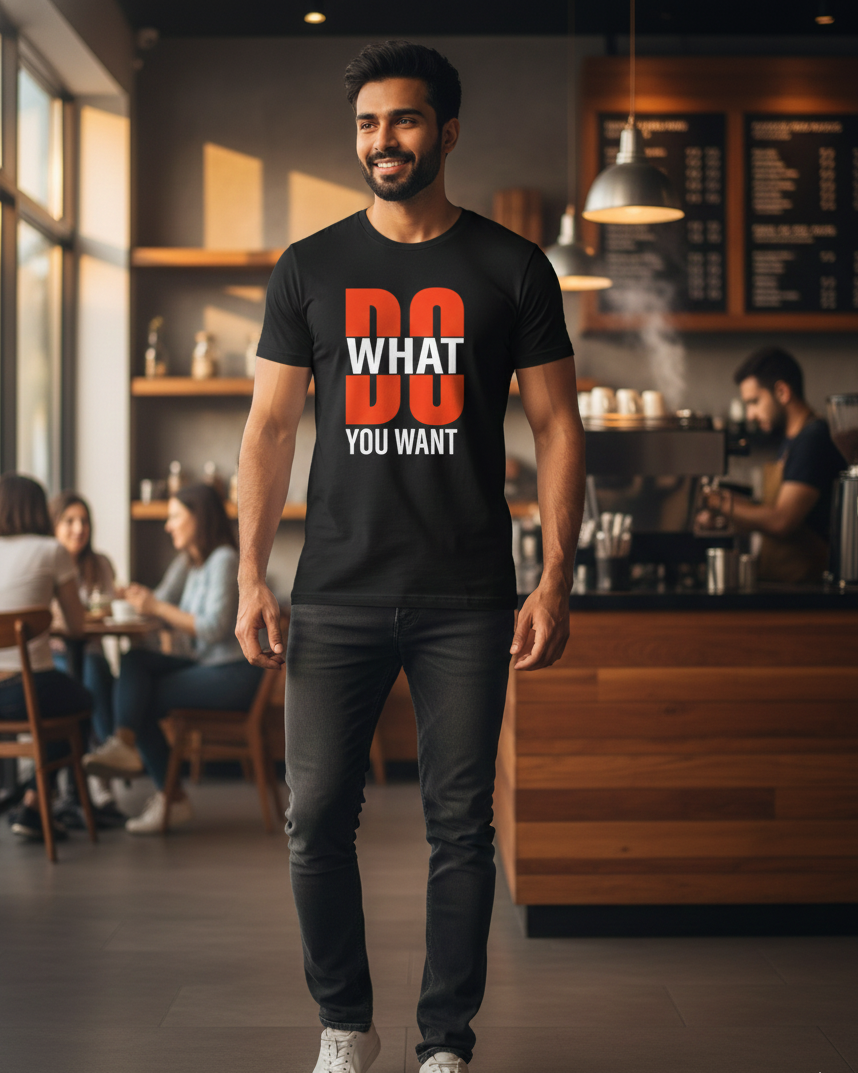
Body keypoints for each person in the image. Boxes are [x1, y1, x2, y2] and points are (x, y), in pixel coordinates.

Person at [235, 41, 585, 1073]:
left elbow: (560, 426)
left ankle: (445, 1043)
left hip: (467, 595)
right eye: (367, 124)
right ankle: (346, 1021)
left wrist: (555, 576)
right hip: (335, 590)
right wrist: (253, 569)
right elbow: (267, 427)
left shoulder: (511, 266)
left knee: (460, 828)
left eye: (403, 120)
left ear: (448, 130)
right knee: (314, 821)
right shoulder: (310, 266)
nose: (382, 140)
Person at [83, 484, 263, 834]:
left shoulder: (224, 559)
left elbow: (212, 628)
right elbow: (160, 602)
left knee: (142, 698)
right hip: (204, 665)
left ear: (199, 518)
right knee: (135, 662)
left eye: (175, 517)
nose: (168, 526)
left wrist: (155, 607)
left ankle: (171, 796)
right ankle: (123, 742)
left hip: (232, 673)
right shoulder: (191, 563)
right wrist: (135, 598)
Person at [699, 347, 846, 583]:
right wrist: (726, 506)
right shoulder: (793, 439)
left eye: (754, 402)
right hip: (789, 584)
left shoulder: (813, 439)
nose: (750, 415)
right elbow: (770, 510)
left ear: (782, 391)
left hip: (809, 589)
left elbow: (782, 521)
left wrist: (716, 500)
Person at [0, 474, 93, 843]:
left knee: (58, 699)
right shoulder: (50, 550)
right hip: (25, 689)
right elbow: (78, 625)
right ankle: (39, 802)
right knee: (84, 702)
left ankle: (33, 798)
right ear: (39, 509)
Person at [48, 491, 125, 826]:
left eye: (84, 521)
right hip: (53, 657)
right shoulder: (47, 563)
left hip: (88, 650)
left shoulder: (100, 564)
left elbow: (104, 611)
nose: (79, 528)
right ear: (54, 526)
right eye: (69, 521)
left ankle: (99, 773)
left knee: (95, 671)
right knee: (87, 678)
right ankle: (87, 782)